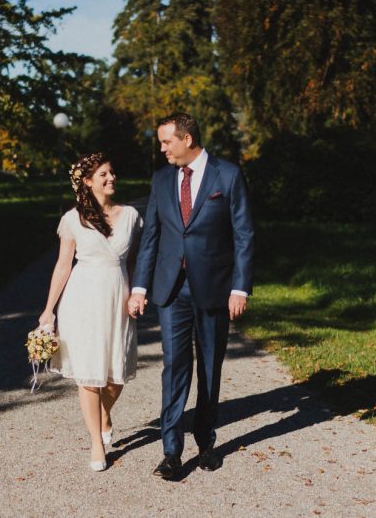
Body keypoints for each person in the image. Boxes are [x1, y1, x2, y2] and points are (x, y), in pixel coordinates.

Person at [129, 112, 255, 480]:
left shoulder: (227, 175)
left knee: (210, 367)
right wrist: (140, 287)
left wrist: (239, 287)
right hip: (171, 290)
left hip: (214, 288)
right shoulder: (161, 179)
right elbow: (151, 237)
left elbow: (244, 234)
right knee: (174, 367)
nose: (162, 149)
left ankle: (206, 442)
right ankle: (171, 451)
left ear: (187, 139)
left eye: (167, 141)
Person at [39, 152, 142, 472]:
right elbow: (63, 265)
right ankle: (97, 443)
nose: (111, 178)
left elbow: (136, 262)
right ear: (87, 182)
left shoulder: (131, 216)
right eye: (103, 175)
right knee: (88, 373)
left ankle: (104, 413)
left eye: (112, 172)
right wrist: (48, 310)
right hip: (82, 301)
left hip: (118, 300)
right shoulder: (73, 219)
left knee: (116, 374)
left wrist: (137, 293)